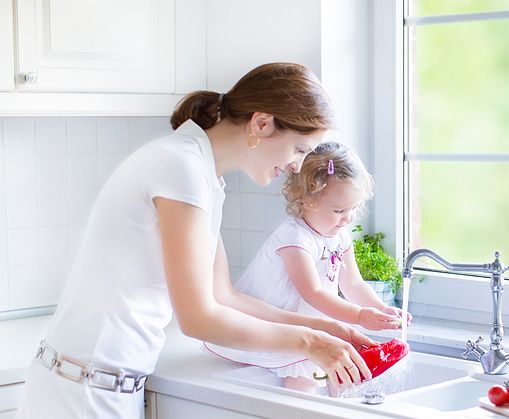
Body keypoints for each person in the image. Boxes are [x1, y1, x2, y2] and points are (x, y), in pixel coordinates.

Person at [15, 63, 375, 419]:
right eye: (299, 149)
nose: (298, 166)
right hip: (82, 394)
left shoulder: (203, 176)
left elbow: (224, 296)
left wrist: (324, 327)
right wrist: (309, 343)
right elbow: (198, 317)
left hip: (101, 386)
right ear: (261, 123)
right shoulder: (180, 168)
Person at [205, 142, 411, 393]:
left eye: (353, 208)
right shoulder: (293, 238)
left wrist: (380, 309)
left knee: (337, 372)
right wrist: (359, 316)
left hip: (311, 325)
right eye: (339, 210)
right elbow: (313, 293)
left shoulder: (339, 234)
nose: (348, 218)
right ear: (307, 199)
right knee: (302, 377)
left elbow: (353, 283)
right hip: (277, 326)